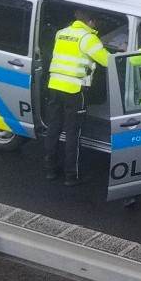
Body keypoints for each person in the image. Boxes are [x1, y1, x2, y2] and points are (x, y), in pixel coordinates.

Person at [42, 9, 111, 186]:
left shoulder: (62, 33)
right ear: (91, 22)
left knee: (53, 129)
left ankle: (50, 170)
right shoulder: (88, 39)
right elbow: (108, 61)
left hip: (55, 86)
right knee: (73, 133)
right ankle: (71, 176)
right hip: (74, 90)